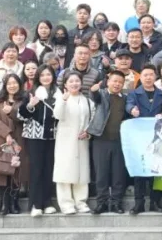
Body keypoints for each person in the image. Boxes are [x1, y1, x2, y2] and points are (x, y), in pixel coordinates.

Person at [126, 64, 162, 214]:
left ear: (155, 77)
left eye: (151, 75)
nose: (148, 78)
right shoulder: (134, 93)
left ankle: (155, 202)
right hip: (140, 137)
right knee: (140, 169)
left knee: (156, 169)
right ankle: (139, 203)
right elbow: (129, 105)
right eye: (145, 75)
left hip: (158, 138)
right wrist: (132, 110)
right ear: (141, 77)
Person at [18, 65, 59, 216]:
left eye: (48, 74)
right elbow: (20, 115)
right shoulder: (31, 93)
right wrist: (30, 105)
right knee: (36, 169)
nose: (46, 78)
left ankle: (47, 202)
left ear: (53, 76)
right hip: (35, 136)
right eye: (42, 75)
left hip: (53, 136)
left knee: (49, 169)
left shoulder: (59, 93)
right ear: (38, 78)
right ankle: (35, 204)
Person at [87, 70, 129, 215]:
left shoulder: (125, 98)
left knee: (118, 174)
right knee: (101, 174)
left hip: (119, 141)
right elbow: (95, 97)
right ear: (108, 81)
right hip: (101, 140)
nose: (117, 84)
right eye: (114, 81)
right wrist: (94, 90)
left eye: (120, 82)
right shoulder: (103, 94)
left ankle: (116, 202)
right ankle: (102, 203)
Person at [52, 72, 94, 216]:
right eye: (71, 81)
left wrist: (88, 132)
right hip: (65, 140)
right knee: (65, 170)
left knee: (82, 171)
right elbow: (57, 115)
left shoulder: (87, 100)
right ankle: (66, 204)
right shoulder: (61, 98)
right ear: (65, 84)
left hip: (82, 140)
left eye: (77, 81)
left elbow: (92, 118)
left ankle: (81, 202)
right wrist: (63, 101)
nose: (74, 84)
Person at [0, 73, 25, 216]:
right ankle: (4, 204)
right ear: (5, 86)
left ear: (19, 84)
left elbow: (24, 118)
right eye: (9, 83)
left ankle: (14, 203)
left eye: (15, 83)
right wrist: (7, 134)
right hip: (1, 140)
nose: (12, 86)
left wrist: (12, 111)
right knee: (2, 171)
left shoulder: (23, 100)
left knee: (16, 171)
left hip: (19, 139)